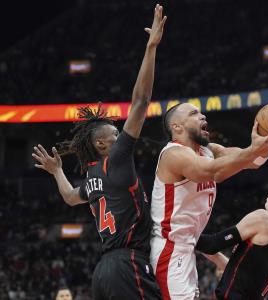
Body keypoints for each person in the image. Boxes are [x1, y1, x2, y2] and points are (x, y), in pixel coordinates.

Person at [32, 4, 167, 299]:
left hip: (103, 272)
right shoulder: (116, 159)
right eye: (114, 135)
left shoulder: (94, 176)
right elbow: (142, 101)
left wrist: (57, 172)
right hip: (127, 264)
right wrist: (151, 47)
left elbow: (69, 197)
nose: (120, 138)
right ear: (102, 145)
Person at [150, 102, 268, 299]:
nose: (203, 116)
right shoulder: (173, 154)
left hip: (188, 247)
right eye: (194, 114)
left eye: (201, 112)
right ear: (177, 127)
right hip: (169, 249)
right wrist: (254, 150)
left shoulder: (209, 151)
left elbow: (249, 161)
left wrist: (265, 147)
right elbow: (211, 171)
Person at [196, 171, 268, 300]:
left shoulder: (265, 219)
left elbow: (212, 244)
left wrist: (178, 231)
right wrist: (216, 257)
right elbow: (243, 273)